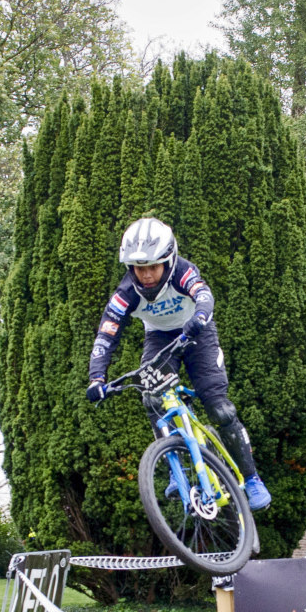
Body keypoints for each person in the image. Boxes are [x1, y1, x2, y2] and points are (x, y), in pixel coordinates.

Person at [85, 216, 271, 510]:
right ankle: (177, 471)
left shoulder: (182, 272)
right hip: (159, 338)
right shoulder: (126, 293)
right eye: (138, 268)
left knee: (219, 408)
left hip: (197, 331)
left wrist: (199, 317)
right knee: (152, 398)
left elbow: (203, 295)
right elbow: (106, 333)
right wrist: (97, 378)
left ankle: (252, 479)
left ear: (168, 261)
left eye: (152, 267)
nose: (145, 275)